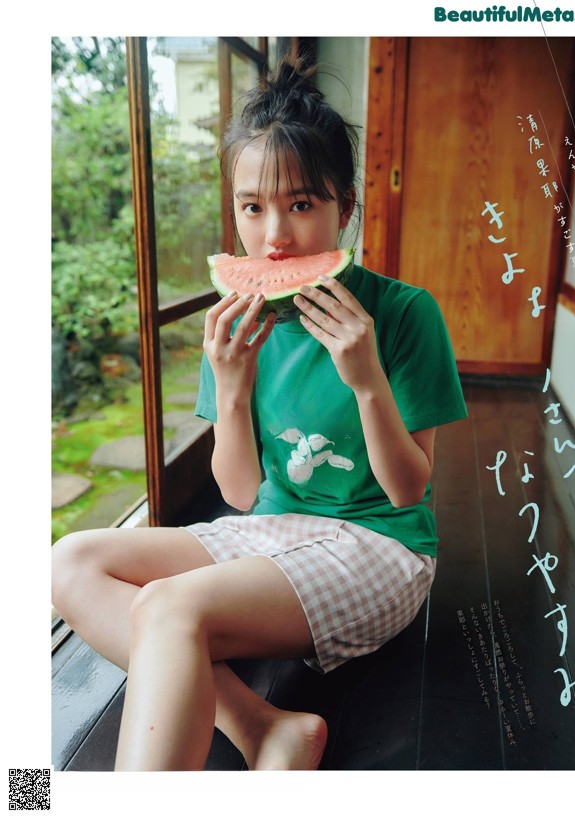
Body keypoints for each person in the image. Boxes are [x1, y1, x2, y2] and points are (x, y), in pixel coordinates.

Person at [51, 57, 468, 772]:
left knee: (169, 609)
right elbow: (241, 494)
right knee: (69, 561)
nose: (274, 235)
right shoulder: (241, 324)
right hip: (271, 528)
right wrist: (232, 388)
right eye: (252, 206)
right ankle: (261, 725)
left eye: (301, 204)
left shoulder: (404, 314)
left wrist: (366, 380)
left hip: (380, 543)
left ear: (346, 207)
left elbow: (408, 490)